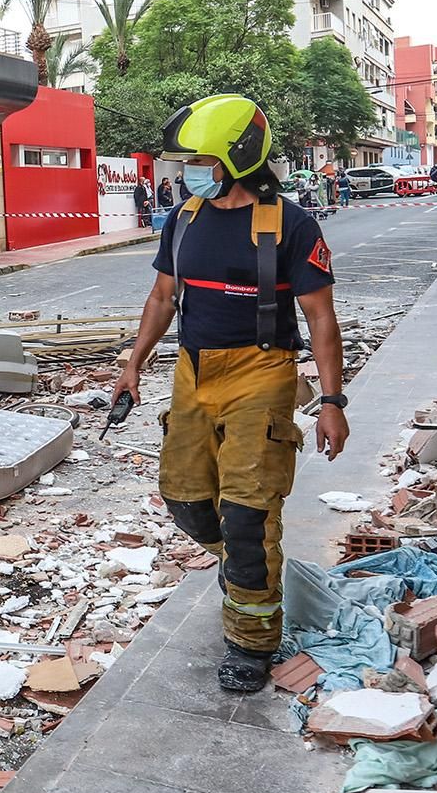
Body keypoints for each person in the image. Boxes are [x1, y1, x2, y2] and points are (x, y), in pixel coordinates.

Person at [113, 95, 348, 693]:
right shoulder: (186, 218)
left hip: (261, 374)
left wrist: (331, 401)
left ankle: (250, 638)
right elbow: (163, 299)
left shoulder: (291, 225)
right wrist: (132, 365)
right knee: (187, 501)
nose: (190, 170)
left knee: (247, 514)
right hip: (193, 374)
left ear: (237, 158)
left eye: (201, 159)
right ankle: (241, 566)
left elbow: (320, 317)